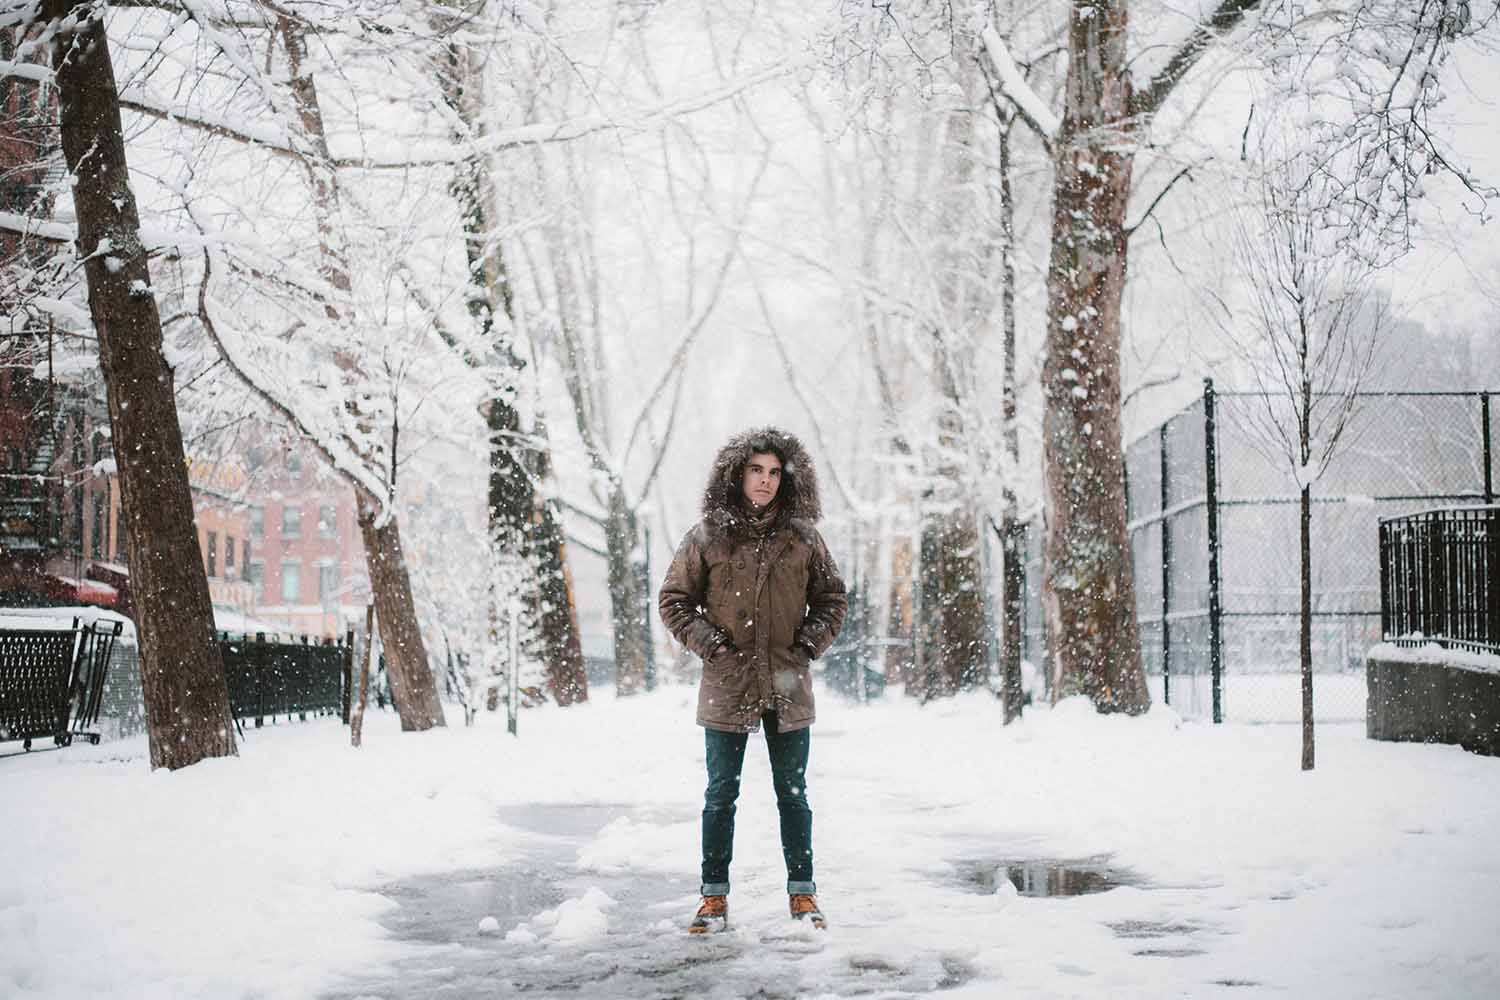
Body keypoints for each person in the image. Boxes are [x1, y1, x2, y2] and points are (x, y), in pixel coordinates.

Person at [659, 427, 848, 934]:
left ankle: (803, 894)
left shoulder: (804, 538)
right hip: (728, 684)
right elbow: (673, 600)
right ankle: (713, 898)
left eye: (774, 472)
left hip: (787, 684)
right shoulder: (707, 537)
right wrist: (713, 645)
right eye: (756, 470)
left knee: (793, 793)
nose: (765, 480)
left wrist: (806, 646)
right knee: (720, 794)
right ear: (737, 473)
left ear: (787, 479)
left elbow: (832, 599)